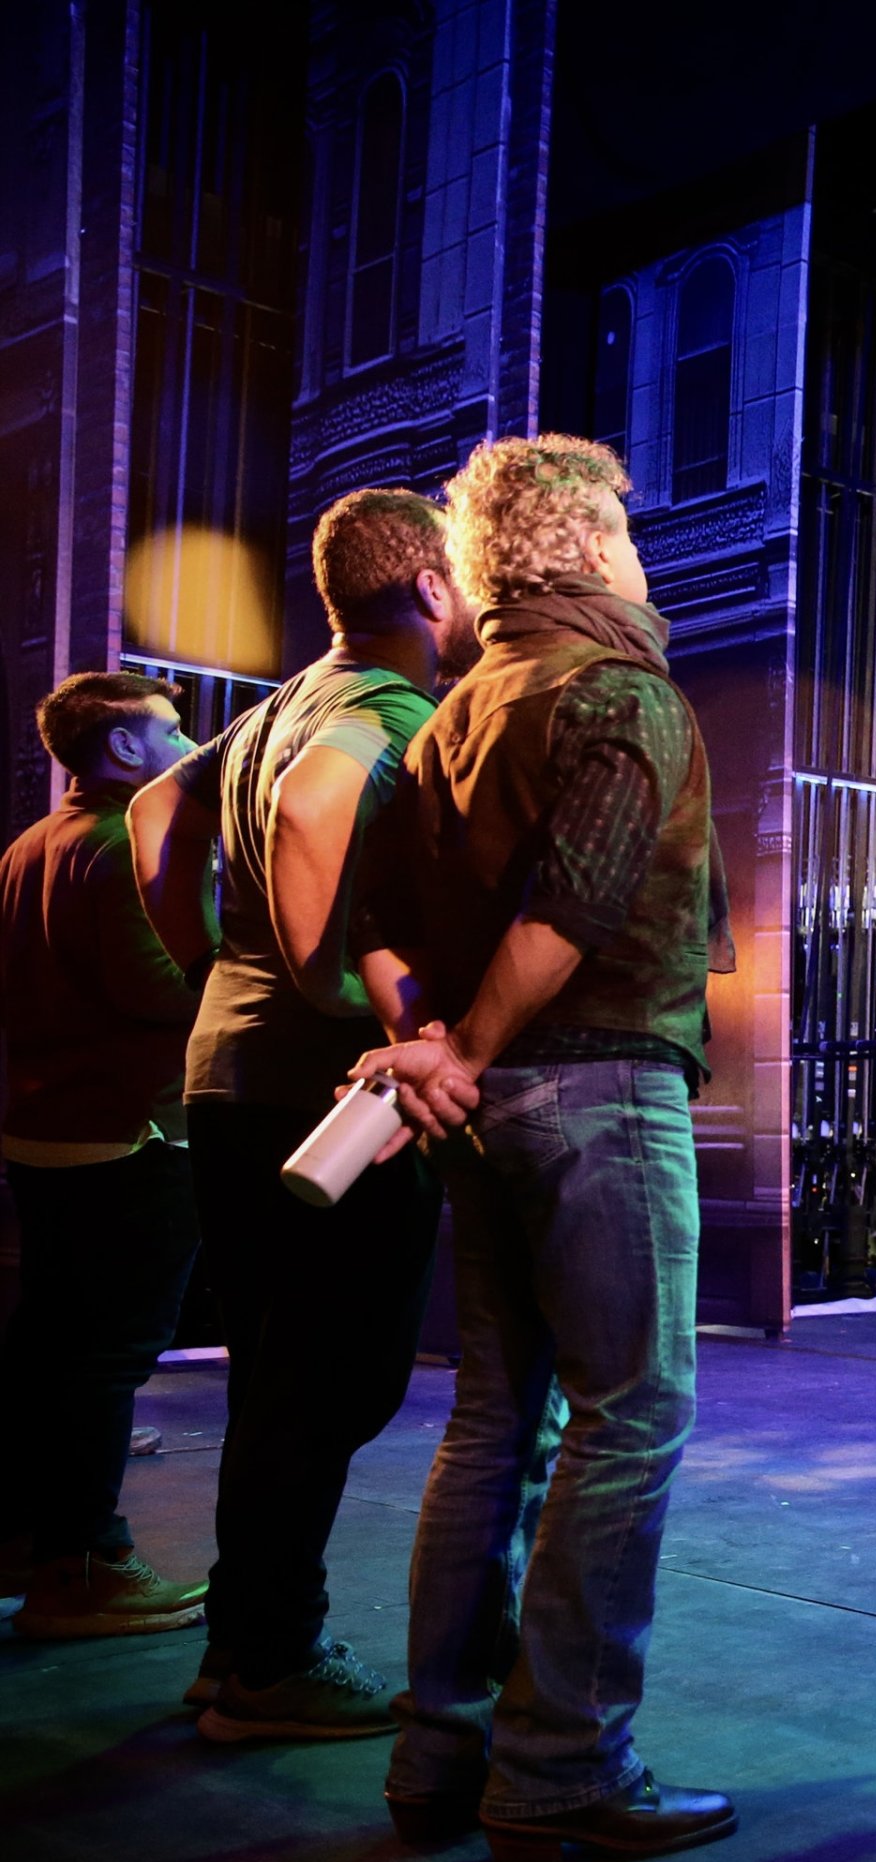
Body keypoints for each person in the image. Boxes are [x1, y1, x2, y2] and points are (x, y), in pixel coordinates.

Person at [348, 434, 735, 1862]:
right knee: (632, 1416)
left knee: (495, 1423)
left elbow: (370, 923)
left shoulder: (452, 712)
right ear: (581, 547)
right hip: (596, 1090)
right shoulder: (619, 691)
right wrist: (467, 1044)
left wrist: (433, 1046)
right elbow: (573, 908)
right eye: (624, 529)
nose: (639, 552)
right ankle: (564, 1765)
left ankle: (439, 1751)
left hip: (482, 1109)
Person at [130, 489, 469, 1740]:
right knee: (332, 1380)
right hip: (319, 1095)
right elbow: (316, 811)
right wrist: (339, 992)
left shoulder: (281, 702)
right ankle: (274, 1664)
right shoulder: (392, 708)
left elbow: (154, 814)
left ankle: (240, 1644)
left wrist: (212, 965)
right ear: (430, 587)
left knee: (274, 1379)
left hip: (228, 1070)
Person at [0, 673, 205, 1638]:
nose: (188, 747)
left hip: (43, 1130)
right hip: (129, 1133)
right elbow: (153, 990)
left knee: (47, 1346)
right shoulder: (125, 838)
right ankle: (85, 1567)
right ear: (123, 748)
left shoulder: (30, 844)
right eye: (173, 731)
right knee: (109, 1356)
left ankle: (26, 1538)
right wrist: (241, 964)